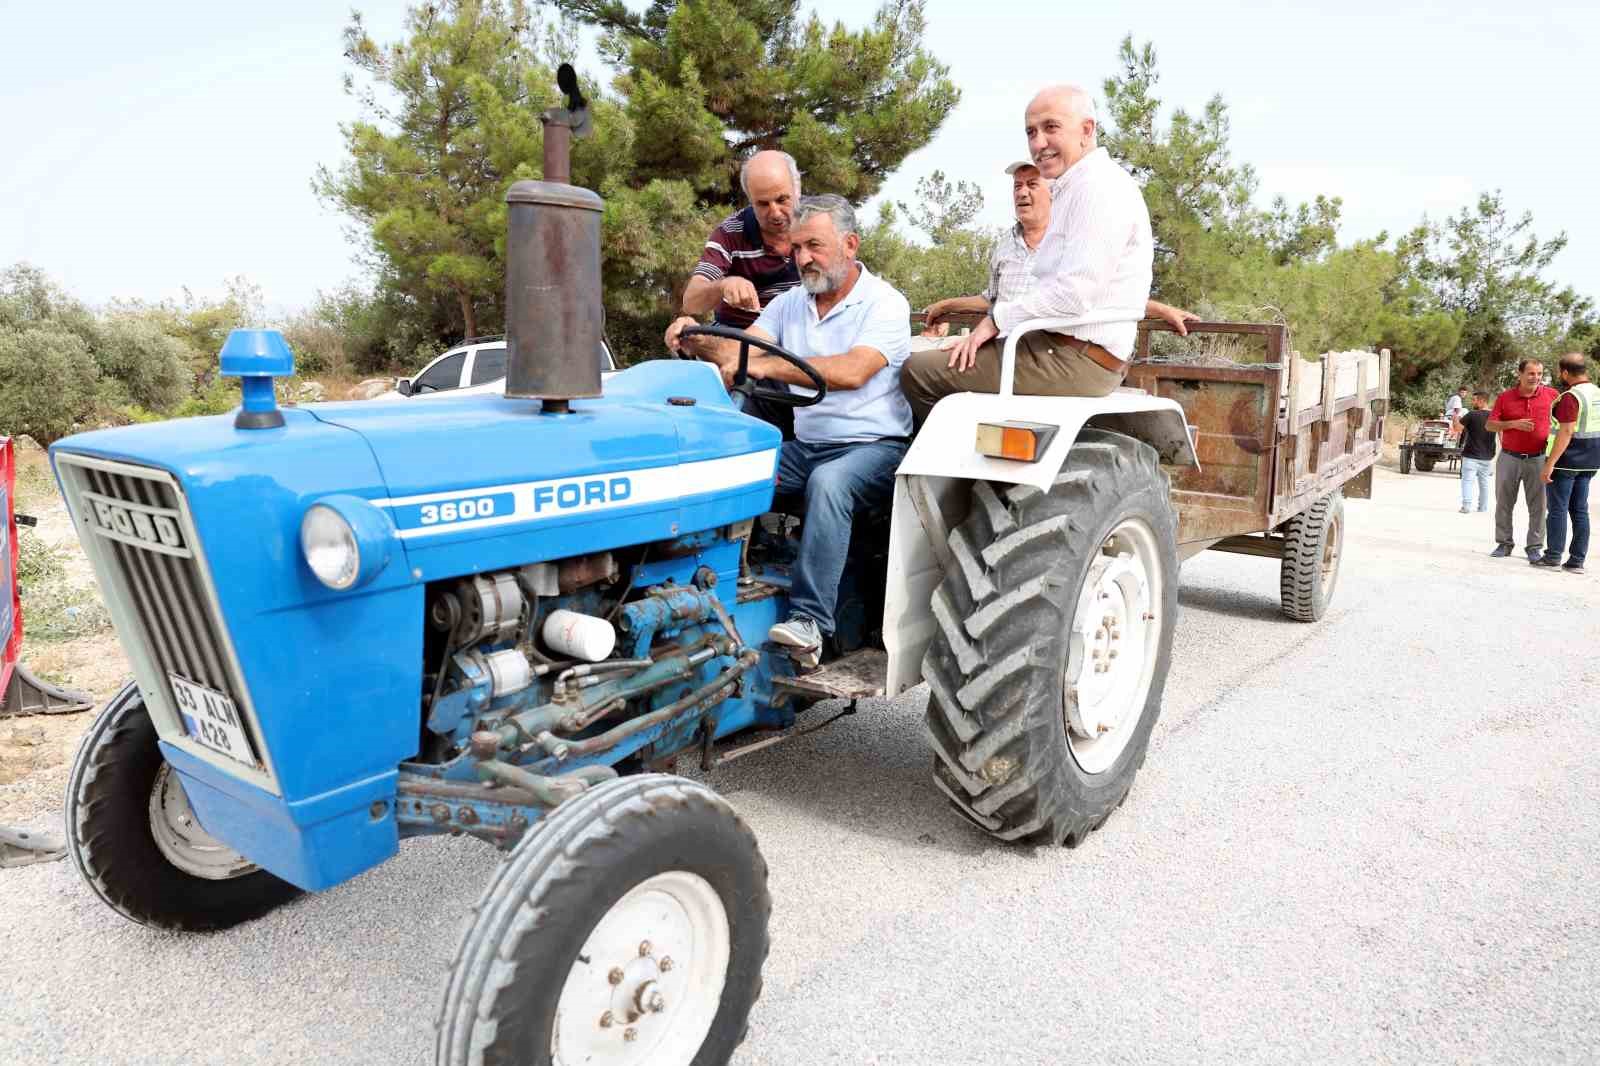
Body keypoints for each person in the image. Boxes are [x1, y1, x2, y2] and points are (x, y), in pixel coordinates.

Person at [666, 194, 912, 658]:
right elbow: (742, 351)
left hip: (875, 448)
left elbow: (852, 371)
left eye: (814, 246)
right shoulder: (789, 304)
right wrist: (694, 337)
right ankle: (702, 587)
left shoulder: (884, 303)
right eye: (797, 248)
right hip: (810, 445)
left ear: (850, 245)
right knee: (731, 468)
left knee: (830, 483)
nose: (802, 258)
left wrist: (766, 365)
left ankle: (809, 623)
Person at [900, 84, 1153, 421]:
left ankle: (956, 453)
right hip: (1058, 345)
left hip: (1076, 357)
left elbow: (1075, 294)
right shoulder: (1075, 187)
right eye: (1031, 132)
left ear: (1086, 130)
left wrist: (996, 321)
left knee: (916, 372)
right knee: (943, 357)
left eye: (1051, 127)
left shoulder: (1098, 188)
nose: (1038, 143)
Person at [919, 160, 1196, 343]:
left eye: (1032, 184)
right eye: (1017, 186)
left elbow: (1095, 294)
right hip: (1003, 345)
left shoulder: (1071, 238)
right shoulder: (1005, 243)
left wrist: (1162, 310)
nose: (1022, 193)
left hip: (1050, 350)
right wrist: (946, 306)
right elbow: (991, 299)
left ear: (1052, 192)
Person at [678, 150, 804, 436]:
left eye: (782, 200)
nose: (775, 212)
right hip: (743, 337)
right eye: (763, 204)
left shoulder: (818, 224)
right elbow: (692, 300)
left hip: (800, 340)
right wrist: (724, 285)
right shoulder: (730, 233)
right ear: (749, 200)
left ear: (798, 190)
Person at [1485, 359, 1559, 560]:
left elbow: (1565, 423)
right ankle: (1504, 543)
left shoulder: (1552, 395)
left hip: (1539, 459)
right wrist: (1513, 424)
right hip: (1509, 457)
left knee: (1539, 506)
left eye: (1539, 374)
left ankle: (1534, 547)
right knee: (1504, 503)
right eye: (1531, 373)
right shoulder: (1505, 397)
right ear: (1520, 374)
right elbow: (1490, 425)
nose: (1536, 377)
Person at [1532, 353, 1598, 574]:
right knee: (1580, 510)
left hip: (1566, 461)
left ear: (1565, 372)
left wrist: (1550, 463)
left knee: (1557, 509)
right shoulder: (1596, 393)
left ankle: (1553, 557)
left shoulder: (1571, 396)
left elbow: (1566, 431)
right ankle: (1577, 561)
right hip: (1590, 461)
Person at [1455, 390, 1495, 513]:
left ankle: (1466, 507)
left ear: (1482, 401)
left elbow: (1457, 428)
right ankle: (1483, 507)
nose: (1472, 402)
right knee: (1484, 483)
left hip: (1471, 455)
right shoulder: (1494, 416)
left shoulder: (1472, 414)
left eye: (1474, 400)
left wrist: (1455, 418)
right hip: (1487, 457)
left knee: (1467, 481)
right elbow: (1501, 435)